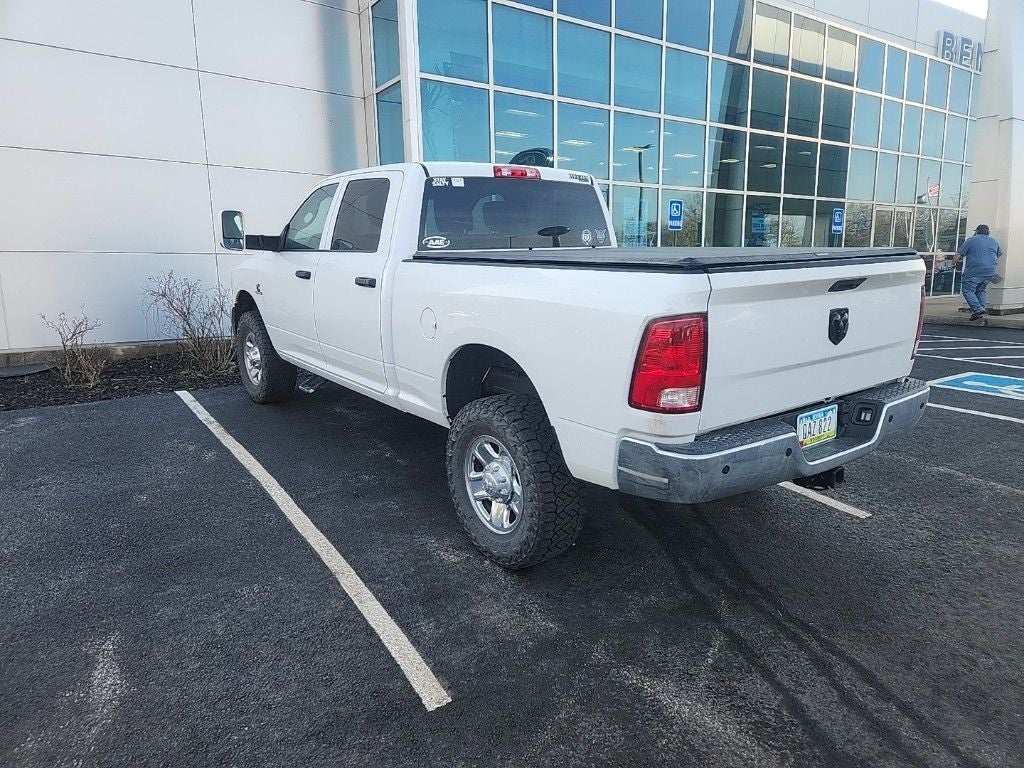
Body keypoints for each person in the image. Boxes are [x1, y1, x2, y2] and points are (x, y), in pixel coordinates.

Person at [954, 224, 1004, 321]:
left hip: (974, 271)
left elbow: (959, 254)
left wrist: (953, 263)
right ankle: (980, 310)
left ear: (976, 231)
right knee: (980, 290)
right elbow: (999, 254)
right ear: (988, 233)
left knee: (967, 290)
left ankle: (977, 308)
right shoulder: (993, 241)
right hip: (990, 271)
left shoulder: (971, 240)